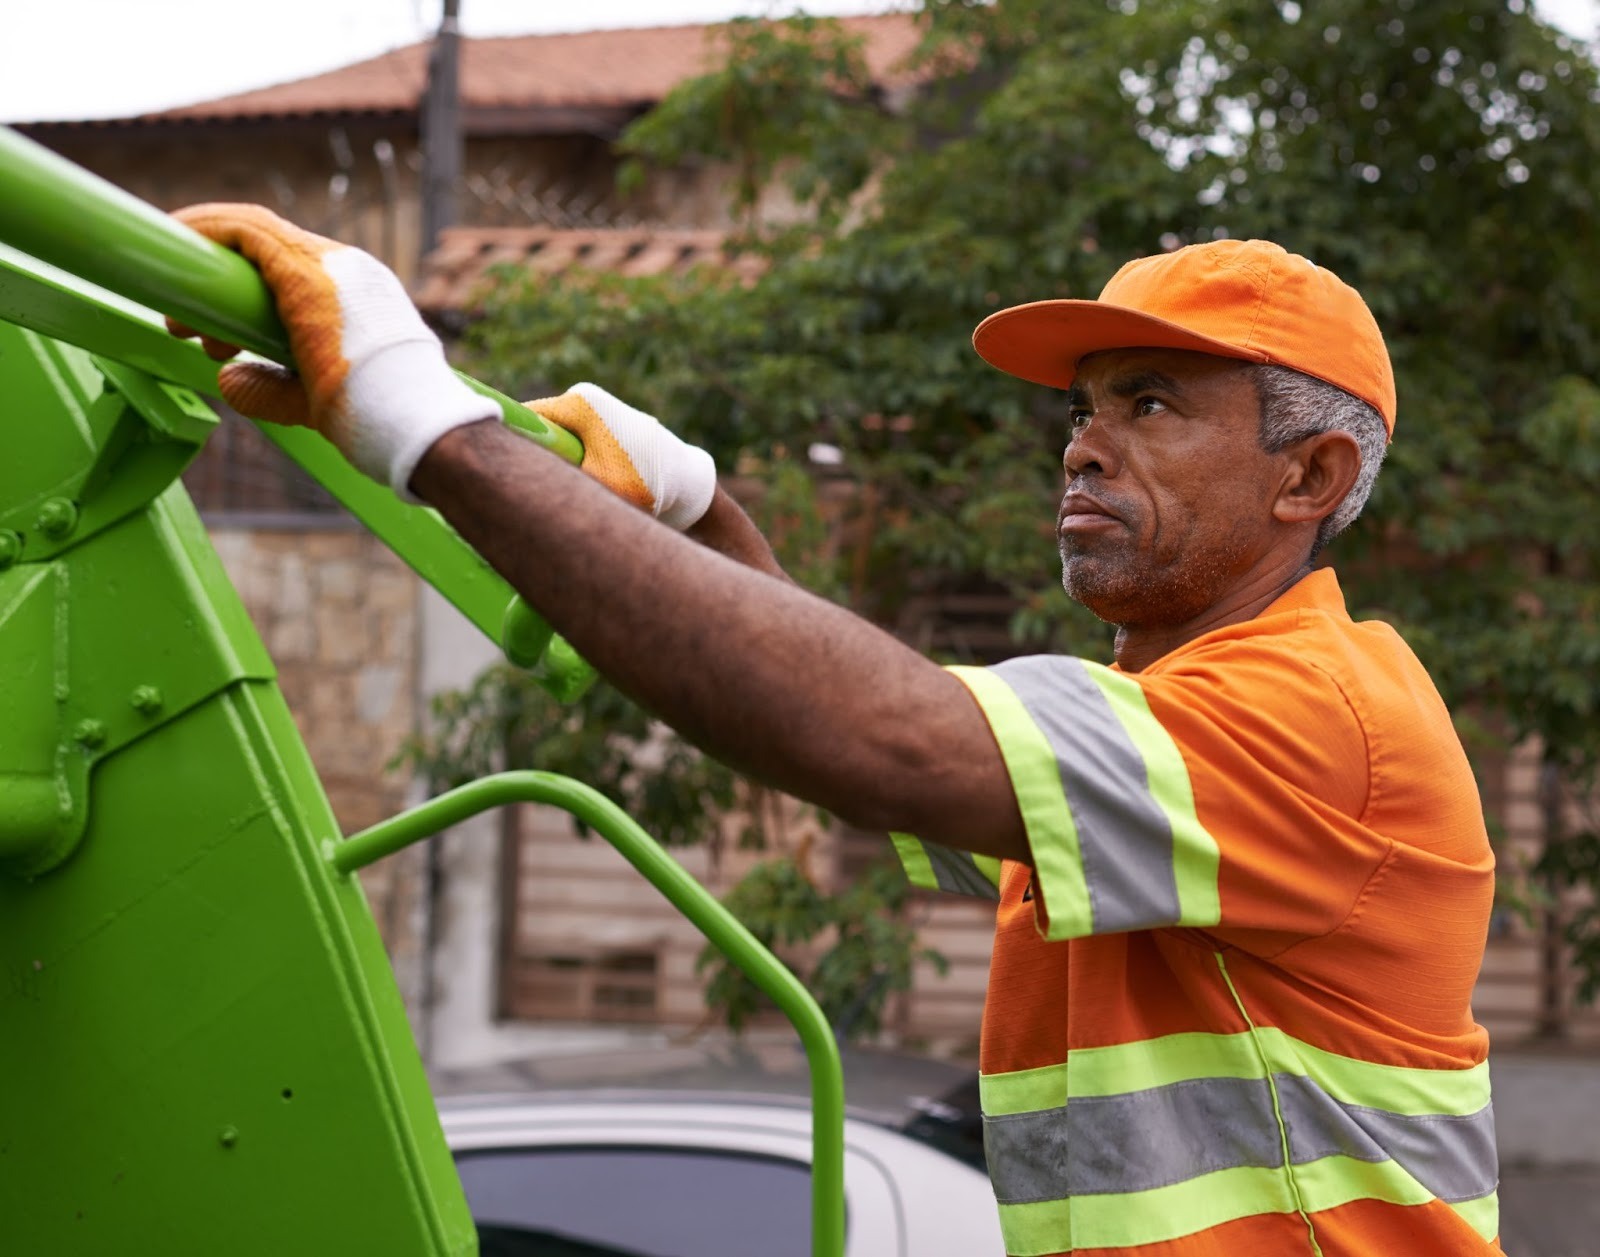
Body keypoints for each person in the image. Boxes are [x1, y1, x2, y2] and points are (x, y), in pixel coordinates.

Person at [169, 204, 1500, 1257]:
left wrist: (425, 419)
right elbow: (880, 752)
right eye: (1084, 408)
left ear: (1309, 475)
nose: (1084, 446)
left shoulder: (1312, 715)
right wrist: (698, 513)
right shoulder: (1166, 746)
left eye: (1149, 404)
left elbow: (889, 740)